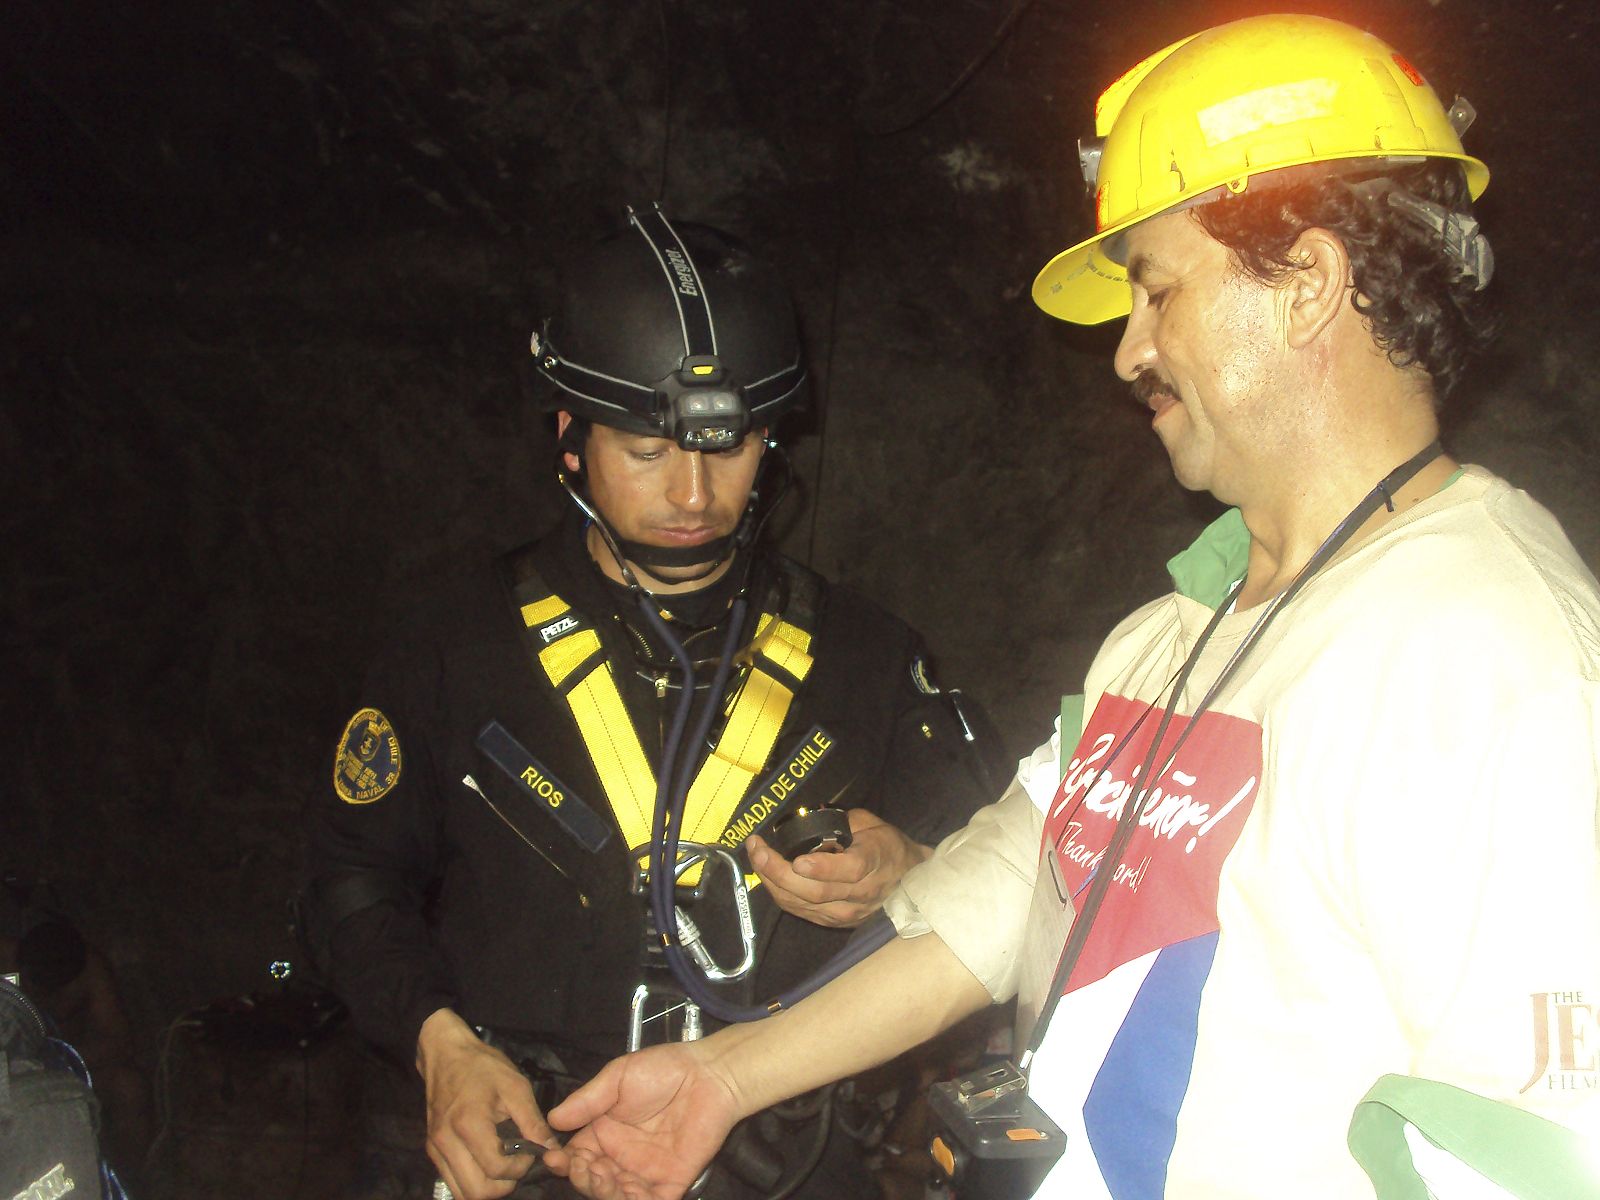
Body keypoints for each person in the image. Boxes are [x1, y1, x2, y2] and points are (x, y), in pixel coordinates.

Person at [537, 17, 1600, 1200]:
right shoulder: (1170, 634)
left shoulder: (1487, 650)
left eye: (1155, 291)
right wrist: (724, 1077)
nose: (1126, 351)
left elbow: (1533, 1152)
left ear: (1308, 281)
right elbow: (1011, 878)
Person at [305, 204, 996, 1200]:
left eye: (731, 447)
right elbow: (350, 882)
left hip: (783, 1154)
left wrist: (910, 869)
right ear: (569, 436)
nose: (691, 491)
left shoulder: (870, 655)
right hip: (525, 1145)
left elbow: (1011, 889)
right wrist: (439, 1047)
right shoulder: (450, 645)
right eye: (644, 449)